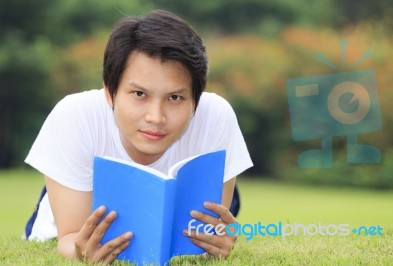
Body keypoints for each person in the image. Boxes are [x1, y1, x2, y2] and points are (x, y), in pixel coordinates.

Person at [24, 9, 253, 264]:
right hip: (70, 209)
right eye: (139, 94)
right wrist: (81, 251)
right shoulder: (75, 115)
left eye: (175, 97)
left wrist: (220, 239)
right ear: (110, 92)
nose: (156, 117)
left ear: (195, 101)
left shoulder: (216, 115)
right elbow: (68, 239)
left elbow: (215, 231)